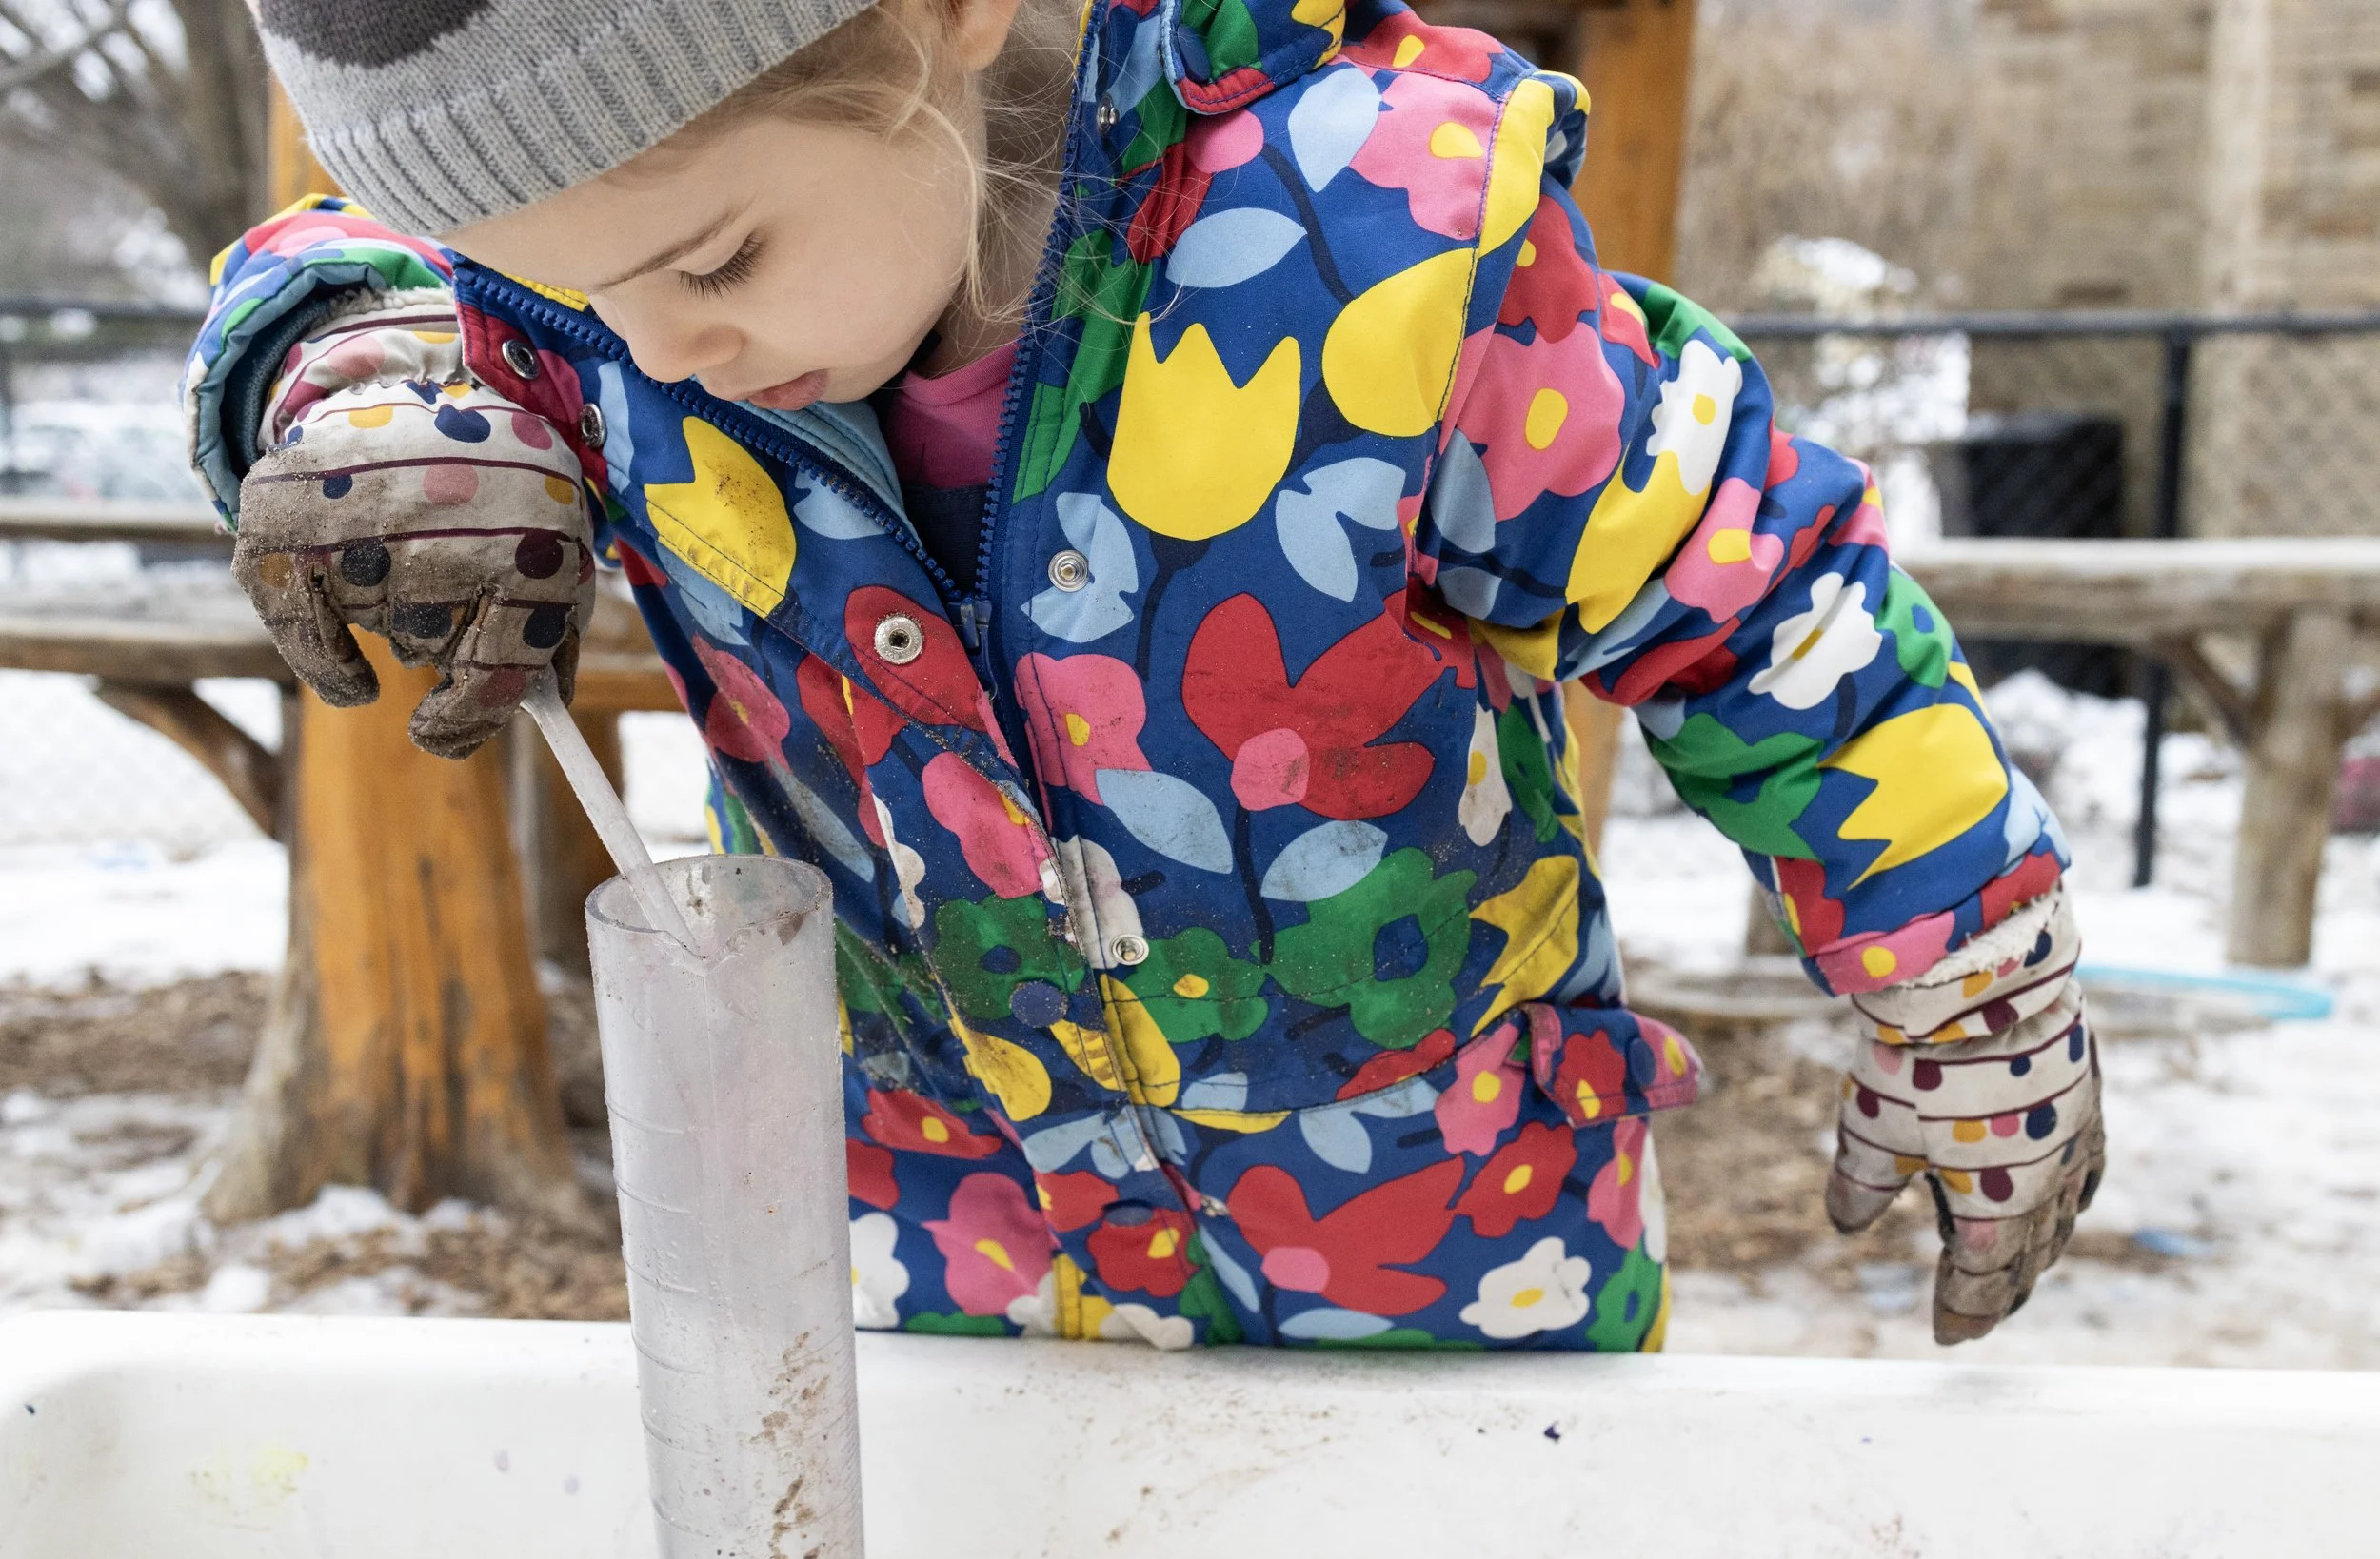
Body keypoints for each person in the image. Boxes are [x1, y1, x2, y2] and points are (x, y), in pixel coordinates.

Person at [185, 0, 2101, 1350]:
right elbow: (343, 269)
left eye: (712, 258)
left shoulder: (1379, 255)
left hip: (1438, 1247)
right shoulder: (610, 292)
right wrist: (375, 389)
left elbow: (1759, 585)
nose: (658, 357)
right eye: (573, 302)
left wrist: (1966, 970)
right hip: (939, 1236)